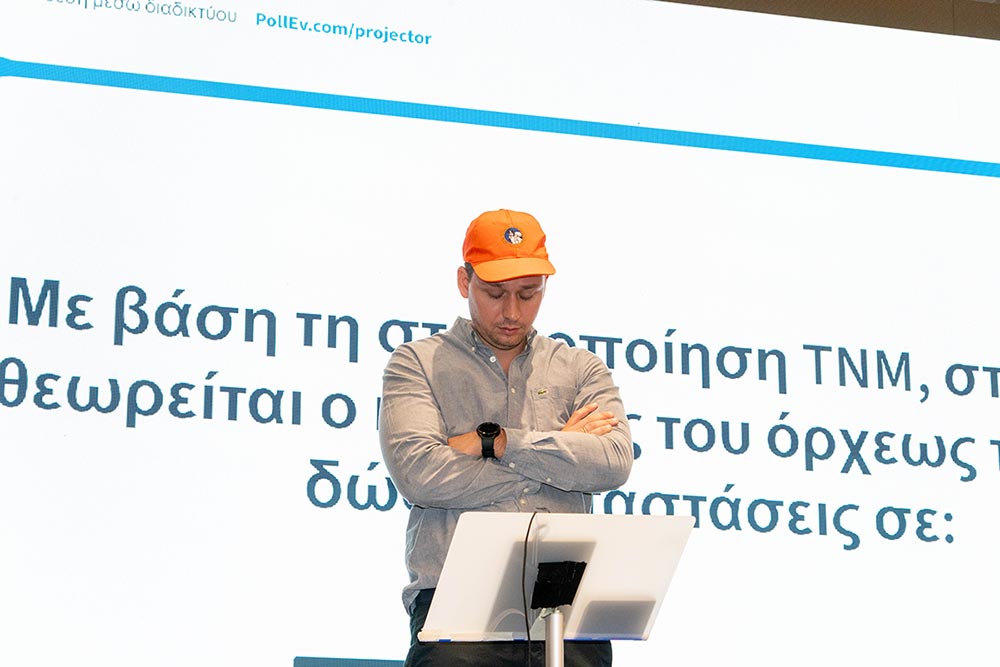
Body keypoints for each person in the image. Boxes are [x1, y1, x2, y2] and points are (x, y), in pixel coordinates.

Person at [379, 209, 634, 667]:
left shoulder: (581, 368)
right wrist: (558, 447)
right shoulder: (416, 363)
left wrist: (496, 443)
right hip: (455, 606)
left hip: (568, 608)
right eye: (495, 294)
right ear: (465, 281)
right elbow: (421, 475)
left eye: (528, 293)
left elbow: (613, 461)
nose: (513, 311)